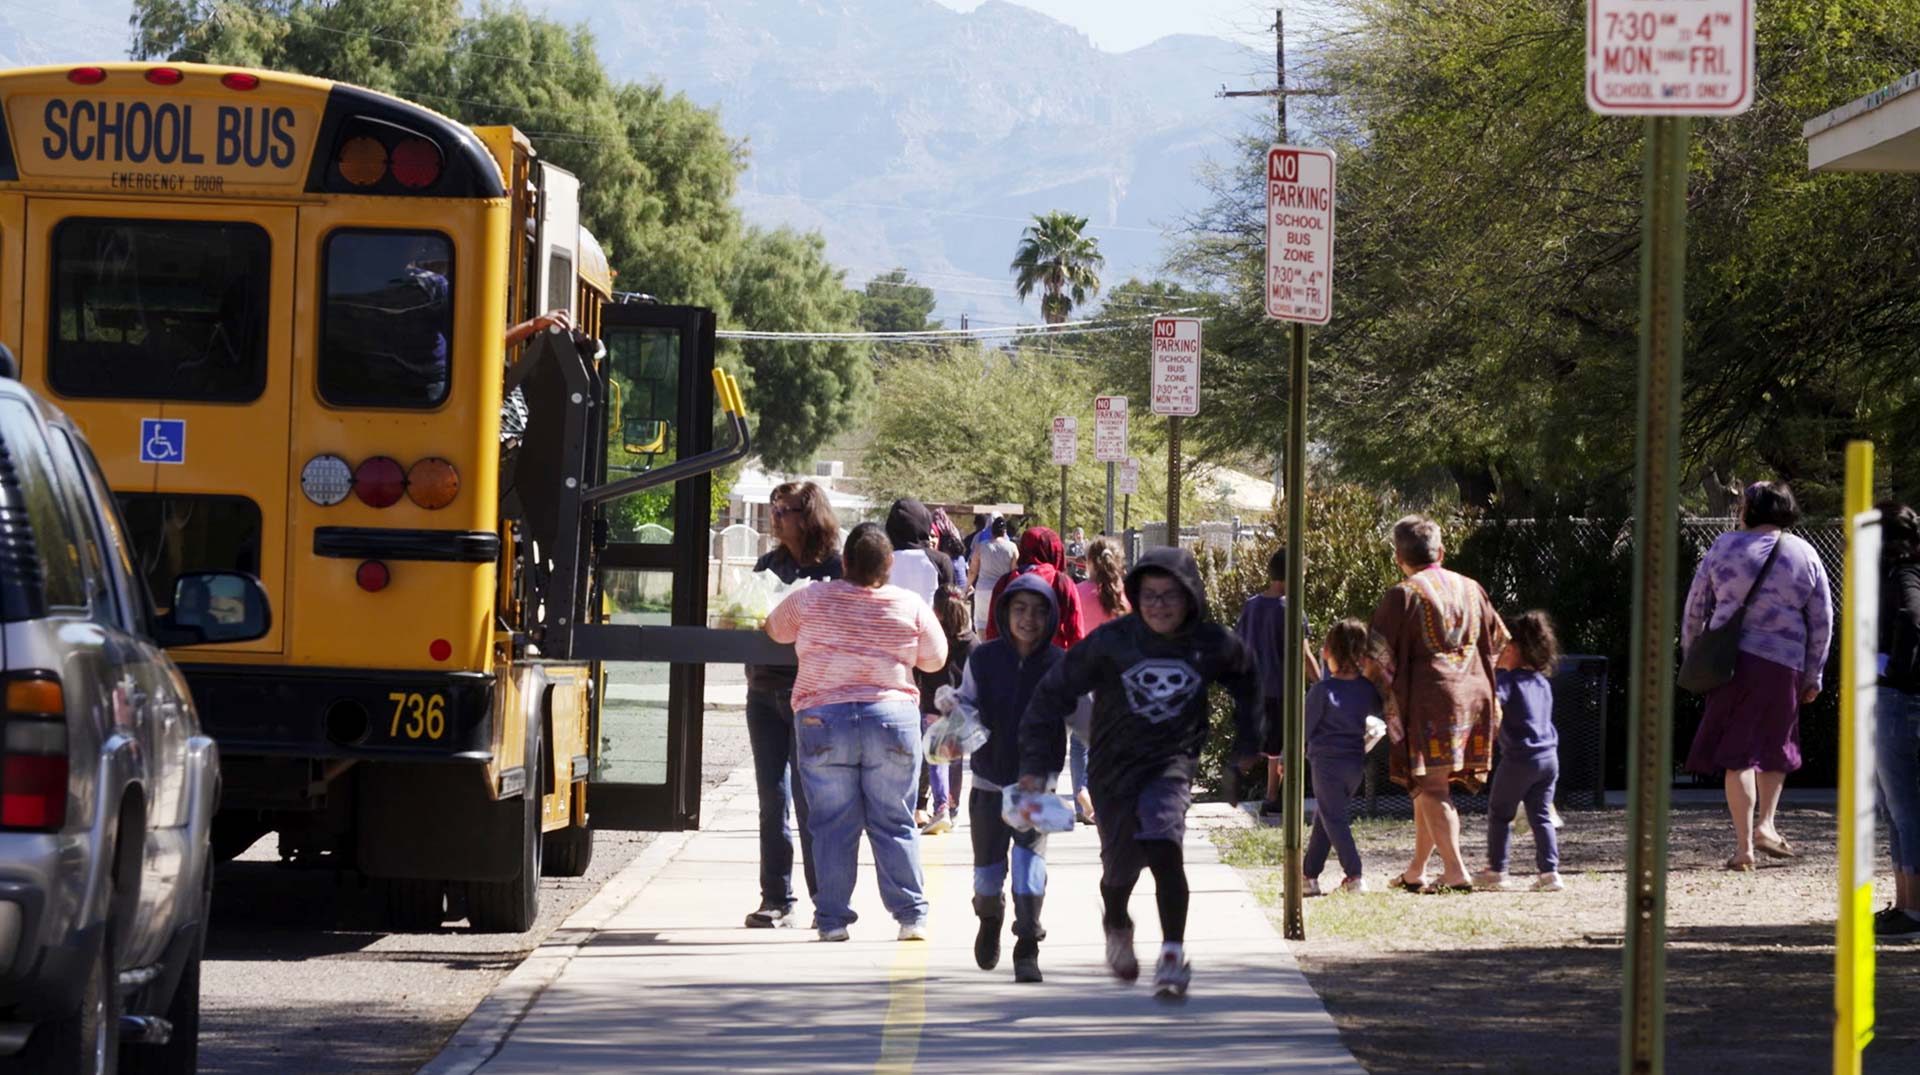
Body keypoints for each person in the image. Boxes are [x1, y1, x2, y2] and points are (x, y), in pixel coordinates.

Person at [1020, 546, 1261, 1000]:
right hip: (1113, 768)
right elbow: (1052, 692)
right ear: (1136, 596)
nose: (1159, 605)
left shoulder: (1209, 643)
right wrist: (1035, 764)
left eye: (1170, 595)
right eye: (1149, 595)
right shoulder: (1113, 642)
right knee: (1120, 867)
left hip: (1171, 762)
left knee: (1164, 839)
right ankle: (1116, 920)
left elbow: (1248, 677)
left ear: (1190, 597)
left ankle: (1172, 953)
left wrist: (1248, 744)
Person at [765, 523, 948, 942]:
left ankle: (832, 921)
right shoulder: (910, 604)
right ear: (889, 566)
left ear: (844, 562)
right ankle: (911, 916)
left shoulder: (811, 598)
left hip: (822, 717)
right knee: (895, 821)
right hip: (892, 719)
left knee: (831, 824)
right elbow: (935, 660)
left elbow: (775, 628)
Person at [1680, 481, 1832, 871]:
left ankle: (1744, 847)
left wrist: (1692, 652)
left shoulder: (1724, 547)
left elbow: (1696, 605)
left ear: (1750, 509)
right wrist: (1814, 673)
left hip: (1733, 663)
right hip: (1785, 664)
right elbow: (1822, 620)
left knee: (1738, 754)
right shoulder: (1805, 553)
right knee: (1776, 745)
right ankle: (1767, 824)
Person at [1367, 515, 1509, 894]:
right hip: (1473, 699)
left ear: (1399, 557)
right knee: (1429, 786)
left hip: (1430, 703)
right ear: (1441, 551)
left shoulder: (1404, 594)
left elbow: (1378, 656)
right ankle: (1416, 870)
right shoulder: (1472, 588)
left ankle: (1455, 870)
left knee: (1431, 787)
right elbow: (1497, 642)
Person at [950, 574, 1066, 982]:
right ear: (1005, 612)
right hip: (988, 781)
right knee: (987, 876)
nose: (1029, 619)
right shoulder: (983, 659)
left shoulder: (1059, 664)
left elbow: (1083, 716)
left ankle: (1028, 945)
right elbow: (966, 704)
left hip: (1036, 786)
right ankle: (989, 917)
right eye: (1020, 609)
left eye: (1039, 611)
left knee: (1030, 868)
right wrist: (952, 709)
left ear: (1052, 616)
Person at [741, 482, 843, 928]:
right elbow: (748, 618)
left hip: (813, 695)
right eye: (773, 508)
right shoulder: (768, 565)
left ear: (810, 514)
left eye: (785, 509)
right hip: (763, 692)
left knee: (812, 801)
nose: (776, 516)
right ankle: (776, 897)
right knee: (772, 799)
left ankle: (827, 900)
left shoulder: (837, 569)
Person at [1475, 610, 1565, 893]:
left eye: (1499, 647)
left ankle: (1496, 871)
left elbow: (1493, 705)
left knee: (1500, 812)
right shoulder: (1541, 682)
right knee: (1540, 815)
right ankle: (1549, 873)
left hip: (1519, 759)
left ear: (1512, 649)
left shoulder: (1507, 681)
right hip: (1549, 758)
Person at [1235, 546, 1320, 816]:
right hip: (1283, 689)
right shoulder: (1291, 609)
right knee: (1287, 745)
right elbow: (1305, 654)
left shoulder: (1251, 606)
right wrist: (1321, 685)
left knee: (1271, 748)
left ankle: (1271, 796)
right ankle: (1275, 796)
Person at [1301, 619, 1381, 896]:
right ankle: (1308, 875)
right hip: (1355, 765)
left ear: (1326, 652)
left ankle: (1355, 874)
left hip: (1326, 764)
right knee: (1326, 818)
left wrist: (1288, 759)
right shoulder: (1367, 689)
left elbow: (1303, 729)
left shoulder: (1321, 691)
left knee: (1334, 819)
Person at [1874, 501, 1920, 939]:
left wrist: (1889, 667)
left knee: (1905, 809)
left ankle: (1913, 909)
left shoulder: (1903, 576)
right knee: (1896, 808)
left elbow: (1911, 618)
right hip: (1901, 698)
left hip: (1898, 700)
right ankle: (1904, 903)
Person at [1069, 537, 1130, 823]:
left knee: (1080, 741)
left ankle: (1082, 798)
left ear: (1088, 562)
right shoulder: (1123, 596)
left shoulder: (1077, 592)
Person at [918, 586, 975, 835]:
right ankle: (953, 808)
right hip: (963, 710)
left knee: (936, 759)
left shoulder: (932, 637)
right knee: (955, 761)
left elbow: (920, 669)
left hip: (933, 705)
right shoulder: (972, 642)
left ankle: (940, 806)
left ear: (937, 611)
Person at [981, 526, 1084, 651]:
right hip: (1053, 663)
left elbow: (993, 630)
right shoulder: (1061, 583)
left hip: (1010, 661)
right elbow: (1076, 633)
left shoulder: (1005, 582)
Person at [884, 498, 954, 606]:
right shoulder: (940, 561)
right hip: (929, 622)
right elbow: (950, 605)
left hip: (889, 622)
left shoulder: (882, 561)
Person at [971, 517, 1019, 628]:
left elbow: (973, 570)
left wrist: (967, 586)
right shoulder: (1012, 547)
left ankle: (984, 644)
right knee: (1000, 624)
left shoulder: (981, 546)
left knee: (982, 623)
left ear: (991, 531)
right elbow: (1014, 571)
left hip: (983, 589)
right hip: (1002, 590)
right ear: (1005, 532)